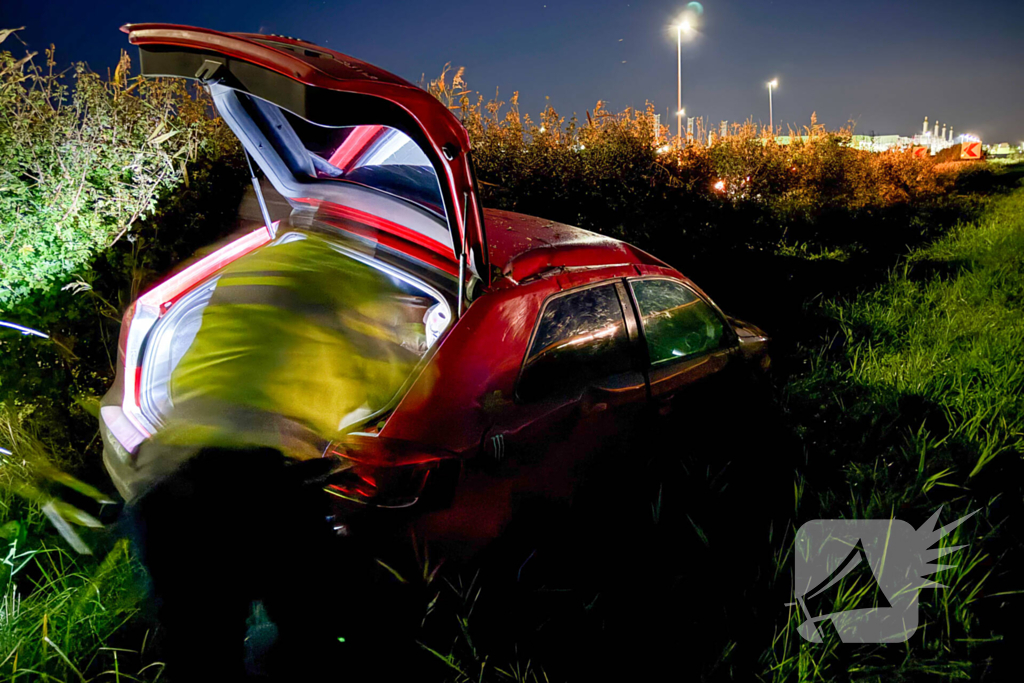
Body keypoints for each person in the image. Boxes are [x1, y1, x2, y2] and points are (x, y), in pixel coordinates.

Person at [123, 230, 428, 681]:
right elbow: (405, 384)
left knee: (198, 652)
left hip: (164, 479)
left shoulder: (248, 268)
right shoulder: (349, 282)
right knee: (345, 627)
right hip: (252, 487)